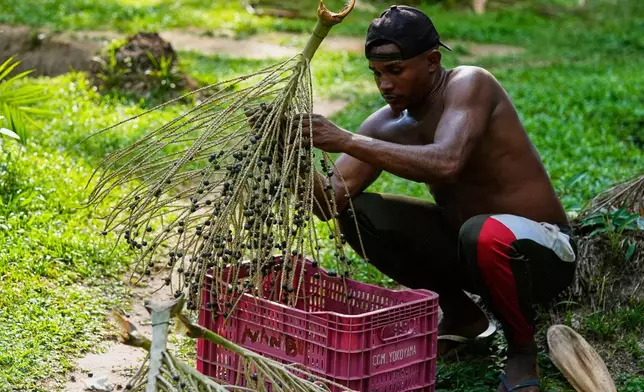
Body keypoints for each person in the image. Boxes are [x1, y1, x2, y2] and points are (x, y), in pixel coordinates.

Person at [296, 5, 578, 392]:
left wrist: (345, 139)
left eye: (395, 71)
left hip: (540, 254)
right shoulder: (386, 124)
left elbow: (447, 163)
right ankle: (464, 319)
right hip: (470, 249)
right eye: (377, 74)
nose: (384, 85)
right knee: (362, 215)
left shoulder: (470, 84)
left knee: (482, 232)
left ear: (432, 61)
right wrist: (290, 156)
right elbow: (329, 202)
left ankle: (521, 353)